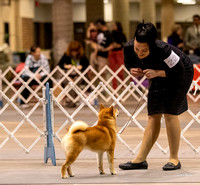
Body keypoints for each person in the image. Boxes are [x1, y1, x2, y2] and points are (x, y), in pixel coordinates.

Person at [119, 22, 194, 171]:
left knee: (170, 113)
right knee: (153, 114)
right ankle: (140, 159)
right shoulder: (128, 47)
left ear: (152, 45)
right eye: (137, 49)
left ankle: (174, 159)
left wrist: (158, 73)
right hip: (156, 73)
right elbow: (129, 63)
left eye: (144, 50)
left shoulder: (163, 50)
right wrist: (134, 70)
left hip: (180, 73)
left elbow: (179, 70)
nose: (139, 53)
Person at [58, 41, 89, 107]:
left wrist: (82, 67)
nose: (74, 53)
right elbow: (59, 65)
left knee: (76, 80)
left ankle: (72, 100)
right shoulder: (66, 56)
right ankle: (73, 99)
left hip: (79, 75)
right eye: (73, 51)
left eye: (76, 51)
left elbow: (88, 66)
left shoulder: (82, 57)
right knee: (69, 81)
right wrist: (66, 66)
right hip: (68, 75)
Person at [109, 21, 127, 89]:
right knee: (113, 72)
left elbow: (125, 43)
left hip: (119, 53)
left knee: (120, 71)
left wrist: (119, 45)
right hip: (112, 53)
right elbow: (109, 42)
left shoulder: (122, 34)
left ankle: (122, 86)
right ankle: (114, 88)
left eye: (114, 25)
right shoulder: (111, 34)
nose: (113, 26)